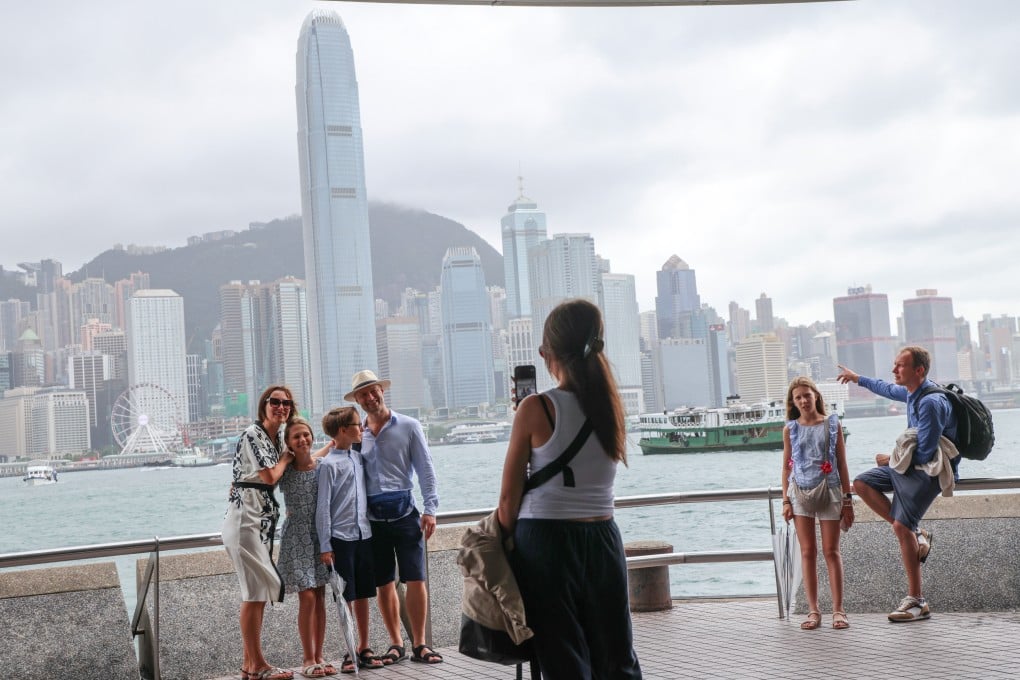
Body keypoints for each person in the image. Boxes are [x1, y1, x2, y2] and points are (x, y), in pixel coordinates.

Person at [497, 299, 642, 680]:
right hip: (604, 539)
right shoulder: (611, 405)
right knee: (615, 654)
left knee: (562, 656)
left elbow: (508, 500)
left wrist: (505, 542)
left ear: (548, 355)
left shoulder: (535, 408)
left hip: (545, 542)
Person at [838, 346, 958, 622]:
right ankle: (917, 533)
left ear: (919, 371)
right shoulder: (911, 392)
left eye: (900, 366)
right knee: (863, 483)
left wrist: (890, 458)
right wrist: (857, 378)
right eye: (894, 365)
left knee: (900, 526)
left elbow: (927, 453)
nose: (894, 370)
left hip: (930, 471)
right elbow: (884, 387)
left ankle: (917, 602)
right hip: (908, 466)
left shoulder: (930, 403)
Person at [346, 370, 441, 665]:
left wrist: (430, 509)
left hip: (405, 511)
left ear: (381, 391)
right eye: (363, 394)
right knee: (383, 582)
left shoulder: (409, 426)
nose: (370, 397)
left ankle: (421, 643)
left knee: (415, 578)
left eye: (373, 390)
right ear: (358, 400)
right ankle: (396, 643)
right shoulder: (356, 433)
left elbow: (425, 468)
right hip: (372, 517)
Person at [222, 386, 297, 680]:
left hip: (259, 522)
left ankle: (249, 665)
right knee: (254, 593)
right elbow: (269, 475)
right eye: (275, 402)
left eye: (286, 403)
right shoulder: (254, 434)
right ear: (263, 405)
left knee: (258, 592)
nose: (281, 407)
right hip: (245, 522)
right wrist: (286, 460)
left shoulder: (277, 437)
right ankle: (259, 665)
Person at [780, 377, 853, 631]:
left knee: (831, 551)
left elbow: (842, 463)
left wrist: (847, 500)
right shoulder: (791, 429)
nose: (803, 400)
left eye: (807, 395)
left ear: (816, 396)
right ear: (793, 402)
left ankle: (839, 610)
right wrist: (785, 500)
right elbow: (787, 465)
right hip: (800, 492)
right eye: (798, 397)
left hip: (830, 489)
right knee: (807, 552)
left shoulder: (833, 424)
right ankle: (813, 610)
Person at [315, 407, 385, 673]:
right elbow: (323, 508)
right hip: (341, 540)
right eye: (358, 425)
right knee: (346, 598)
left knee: (365, 594)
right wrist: (325, 545)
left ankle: (364, 646)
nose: (362, 429)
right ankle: (349, 650)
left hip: (364, 535)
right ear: (343, 430)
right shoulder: (328, 465)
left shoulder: (357, 458)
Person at [276, 418, 336, 678]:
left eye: (306, 435)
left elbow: (319, 455)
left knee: (320, 596)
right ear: (289, 443)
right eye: (296, 437)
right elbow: (266, 480)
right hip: (296, 538)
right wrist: (285, 458)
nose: (302, 440)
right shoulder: (286, 471)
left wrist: (332, 445)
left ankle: (320, 655)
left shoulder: (322, 466)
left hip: (320, 537)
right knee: (307, 596)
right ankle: (307, 658)